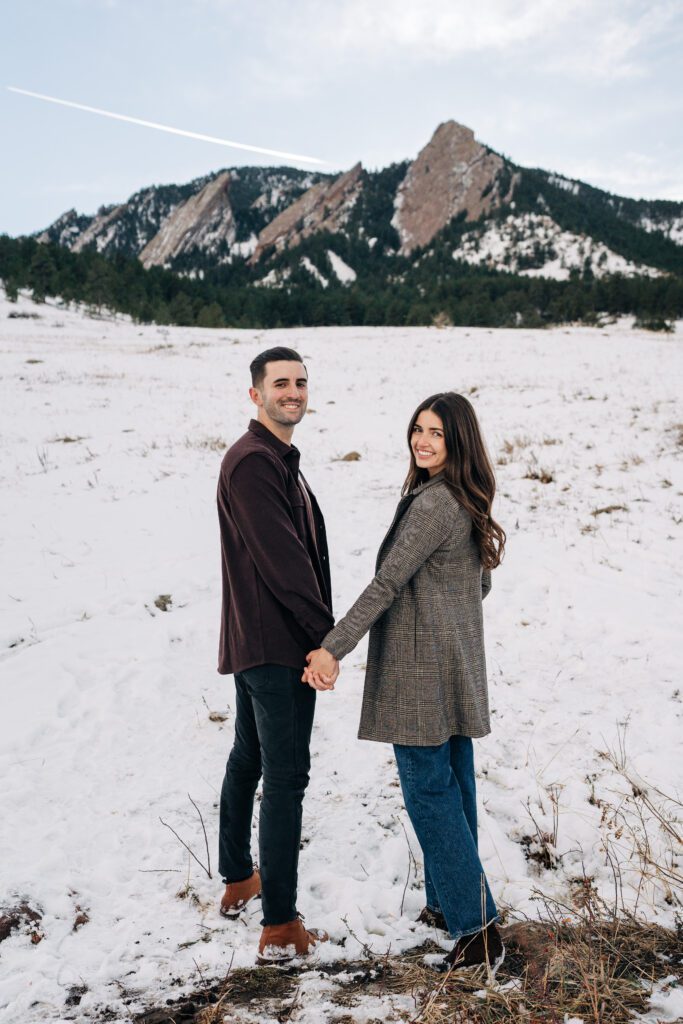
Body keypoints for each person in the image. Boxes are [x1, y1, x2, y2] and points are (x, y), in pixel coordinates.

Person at [304, 392, 506, 972]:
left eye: (437, 434)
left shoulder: (432, 504)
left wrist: (332, 648)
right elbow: (479, 585)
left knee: (429, 794)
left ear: (458, 441)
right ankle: (451, 908)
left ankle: (479, 929)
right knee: (455, 788)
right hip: (455, 669)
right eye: (418, 429)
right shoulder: (464, 499)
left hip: (420, 678)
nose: (422, 441)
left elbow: (387, 584)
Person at [216, 346, 335, 964]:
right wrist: (325, 639)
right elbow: (286, 564)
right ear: (255, 394)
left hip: (259, 638)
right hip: (278, 644)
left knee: (252, 756)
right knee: (285, 776)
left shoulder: (277, 459)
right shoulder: (254, 465)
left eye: (301, 382)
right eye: (280, 383)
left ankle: (238, 876)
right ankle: (280, 923)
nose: (294, 391)